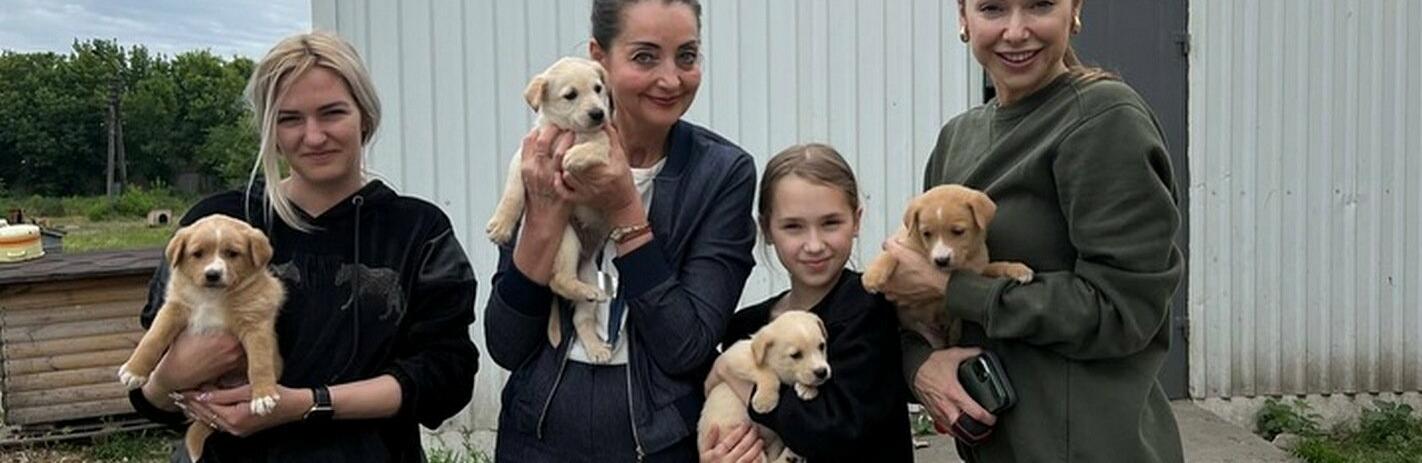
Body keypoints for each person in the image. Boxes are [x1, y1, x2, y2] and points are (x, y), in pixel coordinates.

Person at [127, 31, 480, 462]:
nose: (313, 137)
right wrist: (170, 377)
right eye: (290, 119)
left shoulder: (417, 231)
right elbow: (150, 396)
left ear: (365, 117)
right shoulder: (217, 223)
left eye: (332, 113)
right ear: (270, 131)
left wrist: (307, 404)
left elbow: (448, 379)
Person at [876, 0, 1187, 461]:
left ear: (1074, 10)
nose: (1016, 31)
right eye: (992, 8)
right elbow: (912, 295)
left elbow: (1124, 312)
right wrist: (920, 366)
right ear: (963, 18)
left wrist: (957, 289)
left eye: (1039, 5)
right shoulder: (958, 139)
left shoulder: (1103, 120)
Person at [482, 0, 758, 461]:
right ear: (600, 58)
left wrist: (625, 209)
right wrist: (544, 219)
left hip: (661, 439)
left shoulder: (722, 173)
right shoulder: (545, 154)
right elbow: (506, 343)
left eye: (687, 56)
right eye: (644, 56)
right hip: (538, 434)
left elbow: (686, 347)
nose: (670, 79)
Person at [700, 144, 915, 462]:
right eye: (793, 226)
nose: (814, 245)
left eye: (830, 223)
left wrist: (731, 372)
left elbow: (834, 430)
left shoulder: (870, 309)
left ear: (856, 221)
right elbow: (730, 428)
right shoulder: (748, 326)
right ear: (766, 229)